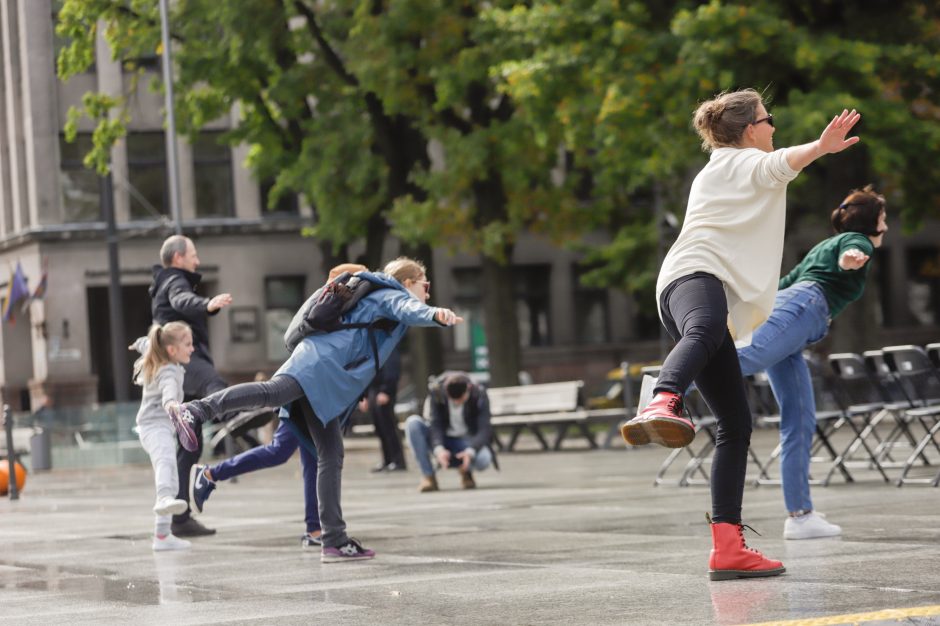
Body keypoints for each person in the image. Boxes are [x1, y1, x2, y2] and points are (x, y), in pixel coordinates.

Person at [619, 88, 861, 581]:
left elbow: (771, 173)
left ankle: (728, 546)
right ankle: (662, 398)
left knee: (736, 422)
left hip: (701, 293)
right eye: (769, 120)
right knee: (706, 327)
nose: (774, 128)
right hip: (693, 280)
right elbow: (775, 167)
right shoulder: (733, 162)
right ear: (750, 128)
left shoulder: (735, 166)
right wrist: (820, 147)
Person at [168, 257, 462, 562]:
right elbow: (409, 309)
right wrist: (435, 314)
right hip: (320, 365)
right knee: (272, 394)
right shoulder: (391, 294)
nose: (428, 292)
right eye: (425, 285)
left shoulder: (378, 296)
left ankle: (332, 540)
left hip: (324, 371)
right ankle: (196, 411)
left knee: (330, 454)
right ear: (409, 282)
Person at [737, 185, 888, 540]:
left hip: (795, 311)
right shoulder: (857, 240)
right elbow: (854, 250)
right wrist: (851, 257)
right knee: (745, 358)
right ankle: (665, 391)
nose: (887, 224)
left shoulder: (823, 245)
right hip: (805, 308)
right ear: (874, 222)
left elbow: (787, 282)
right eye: (884, 217)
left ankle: (801, 517)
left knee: (800, 418)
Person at [188, 263, 369, 548]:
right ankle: (211, 473)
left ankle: (315, 529)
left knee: (311, 458)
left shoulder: (333, 310)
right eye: (357, 282)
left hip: (314, 394)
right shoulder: (327, 309)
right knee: (282, 452)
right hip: (304, 393)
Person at [150, 234, 232, 538]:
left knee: (188, 447)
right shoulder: (173, 280)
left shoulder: (166, 280)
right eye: (193, 255)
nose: (197, 261)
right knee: (213, 383)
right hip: (183, 360)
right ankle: (234, 418)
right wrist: (208, 304)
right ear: (177, 258)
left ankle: (180, 518)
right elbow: (181, 300)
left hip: (174, 363)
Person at [130, 321, 195, 552]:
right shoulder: (168, 371)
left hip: (159, 427)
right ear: (172, 350)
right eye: (188, 344)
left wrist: (138, 344)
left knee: (172, 475)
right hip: (154, 426)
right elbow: (168, 393)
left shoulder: (157, 351)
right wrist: (172, 405)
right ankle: (164, 499)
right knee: (166, 463)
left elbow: (147, 344)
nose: (192, 348)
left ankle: (162, 535)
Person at [404, 372, 494, 492]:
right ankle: (428, 476)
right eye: (453, 399)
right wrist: (439, 448)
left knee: (483, 459)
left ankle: (466, 472)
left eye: (461, 399)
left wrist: (470, 451)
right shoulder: (437, 392)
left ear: (468, 389)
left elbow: (484, 429)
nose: (457, 402)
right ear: (446, 390)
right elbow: (435, 424)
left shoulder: (479, 394)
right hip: (442, 439)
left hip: (465, 441)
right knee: (413, 423)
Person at [360, 346, 407, 472]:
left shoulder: (388, 345)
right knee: (380, 428)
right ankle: (388, 460)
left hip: (382, 391)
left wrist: (386, 390)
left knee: (389, 427)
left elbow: (393, 368)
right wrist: (364, 396)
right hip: (373, 390)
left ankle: (398, 461)